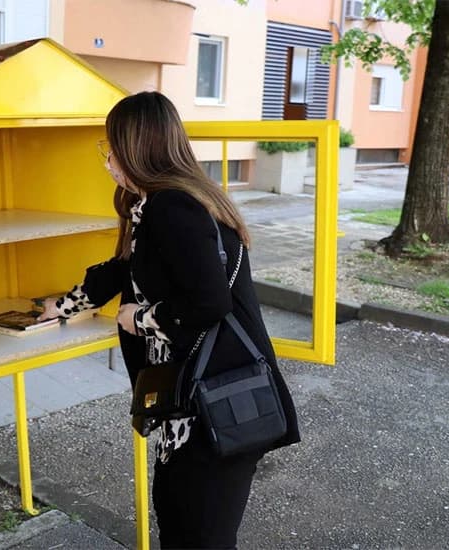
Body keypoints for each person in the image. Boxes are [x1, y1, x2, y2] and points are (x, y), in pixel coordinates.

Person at [37, 91, 300, 549]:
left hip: (213, 404)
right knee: (185, 526)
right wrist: (63, 306)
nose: (108, 160)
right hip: (196, 401)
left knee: (198, 536)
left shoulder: (172, 209)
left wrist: (140, 318)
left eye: (111, 148)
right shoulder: (163, 203)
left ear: (137, 148)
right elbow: (126, 267)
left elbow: (209, 303)